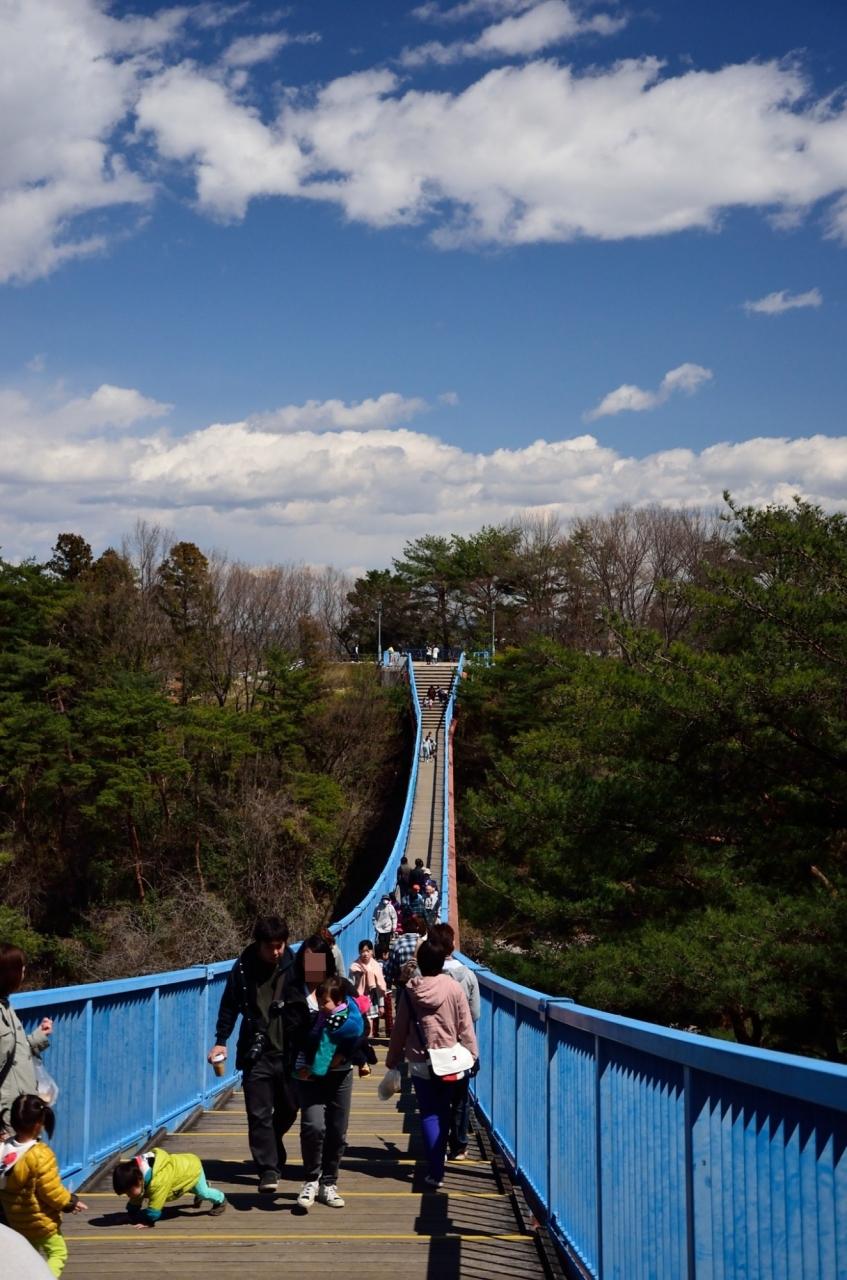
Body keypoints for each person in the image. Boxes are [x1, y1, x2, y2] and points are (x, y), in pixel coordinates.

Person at [208, 916, 298, 1194]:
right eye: (271, 947)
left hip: (289, 1052)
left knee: (290, 1107)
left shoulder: (299, 963)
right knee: (258, 1114)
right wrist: (221, 1041)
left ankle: (272, 1141)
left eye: (280, 946)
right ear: (258, 944)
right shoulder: (242, 968)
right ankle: (268, 1169)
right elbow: (229, 1005)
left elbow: (323, 989)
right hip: (256, 1052)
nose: (276, 952)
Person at [385, 941, 478, 1189]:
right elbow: (465, 1025)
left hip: (419, 1061)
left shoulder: (410, 991)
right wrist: (473, 1053)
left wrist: (392, 1060)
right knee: (445, 1109)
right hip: (449, 1061)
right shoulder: (453, 988)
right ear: (441, 962)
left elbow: (400, 1029)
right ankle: (442, 1156)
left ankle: (436, 1170)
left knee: (428, 1112)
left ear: (421, 964)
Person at [285, 936, 359, 1212]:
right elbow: (291, 1032)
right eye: (307, 960)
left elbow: (358, 1026)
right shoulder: (293, 991)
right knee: (313, 1126)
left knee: (337, 1130)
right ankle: (311, 1179)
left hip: (340, 1072)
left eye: (317, 960)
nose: (312, 966)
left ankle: (329, 1182)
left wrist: (344, 1054)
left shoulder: (342, 987)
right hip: (308, 1073)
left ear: (327, 961)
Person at [0, 1095, 86, 1276]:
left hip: (16, 1220)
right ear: (39, 1124)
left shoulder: (4, 1149)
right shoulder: (40, 1154)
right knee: (58, 1253)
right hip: (40, 1222)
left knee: (29, 1257)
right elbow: (51, 1191)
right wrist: (70, 1202)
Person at [430, 924, 481, 1161]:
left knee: (437, 1097)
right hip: (460, 1046)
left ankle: (437, 1143)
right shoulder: (468, 975)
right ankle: (459, 1145)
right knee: (460, 1097)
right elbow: (475, 1014)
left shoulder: (425, 975)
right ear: (452, 945)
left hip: (434, 1046)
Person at [0, 945, 53, 1135]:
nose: (24, 973)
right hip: (8, 1121)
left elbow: (13, 1052)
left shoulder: (5, 1006)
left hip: (20, 1115)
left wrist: (39, 1036)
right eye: (20, 969)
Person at [112, 1146, 226, 1226]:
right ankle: (198, 1187)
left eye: (128, 1192)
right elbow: (137, 1197)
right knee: (187, 1187)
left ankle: (220, 1200)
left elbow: (156, 1205)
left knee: (203, 1193)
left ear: (139, 1180)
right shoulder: (138, 1174)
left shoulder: (157, 1181)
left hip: (192, 1169)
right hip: (180, 1173)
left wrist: (148, 1221)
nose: (128, 1195)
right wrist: (131, 1214)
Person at [348, 940, 387, 1038]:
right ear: (359, 952)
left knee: (369, 1020)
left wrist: (381, 1005)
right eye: (362, 951)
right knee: (359, 1020)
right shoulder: (354, 967)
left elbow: (380, 987)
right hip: (358, 999)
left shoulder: (376, 966)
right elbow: (350, 985)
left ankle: (368, 1041)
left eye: (367, 951)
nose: (365, 954)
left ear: (372, 951)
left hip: (371, 998)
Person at [384, 914, 427, 992]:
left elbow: (390, 969)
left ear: (403, 929)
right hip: (422, 986)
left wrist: (388, 984)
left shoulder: (397, 943)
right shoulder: (425, 943)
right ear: (417, 928)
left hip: (404, 987)